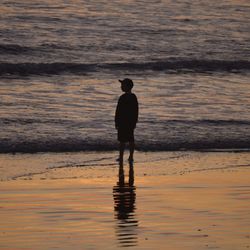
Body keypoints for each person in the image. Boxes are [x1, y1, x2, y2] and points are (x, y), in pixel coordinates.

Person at [115, 78, 138, 163]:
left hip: (122, 122)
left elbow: (118, 111)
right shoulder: (133, 97)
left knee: (122, 141)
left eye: (122, 85)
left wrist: (116, 122)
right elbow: (136, 111)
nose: (121, 87)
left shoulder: (122, 97)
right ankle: (131, 157)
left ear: (127, 86)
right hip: (130, 122)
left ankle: (121, 157)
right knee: (130, 139)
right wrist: (135, 121)